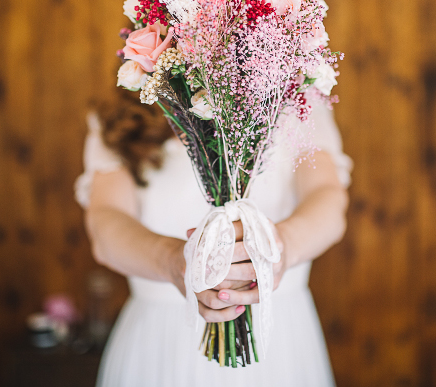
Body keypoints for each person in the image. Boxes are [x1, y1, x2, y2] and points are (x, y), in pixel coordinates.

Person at [76, 89, 351, 386]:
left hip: (277, 335)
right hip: (161, 340)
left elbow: (326, 196)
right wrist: (175, 262)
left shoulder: (297, 95)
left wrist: (280, 248)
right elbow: (107, 221)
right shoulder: (121, 111)